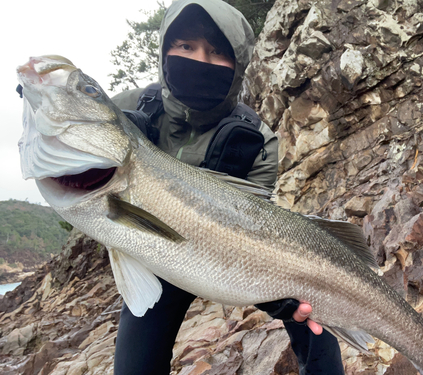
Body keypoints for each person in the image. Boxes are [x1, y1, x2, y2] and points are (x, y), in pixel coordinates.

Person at [111, 0, 344, 374]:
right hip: (157, 257)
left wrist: (281, 294)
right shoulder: (125, 111)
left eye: (217, 51)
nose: (200, 60)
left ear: (238, 63)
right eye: (185, 46)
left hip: (238, 258)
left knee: (313, 321)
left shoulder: (257, 140)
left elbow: (260, 219)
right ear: (164, 50)